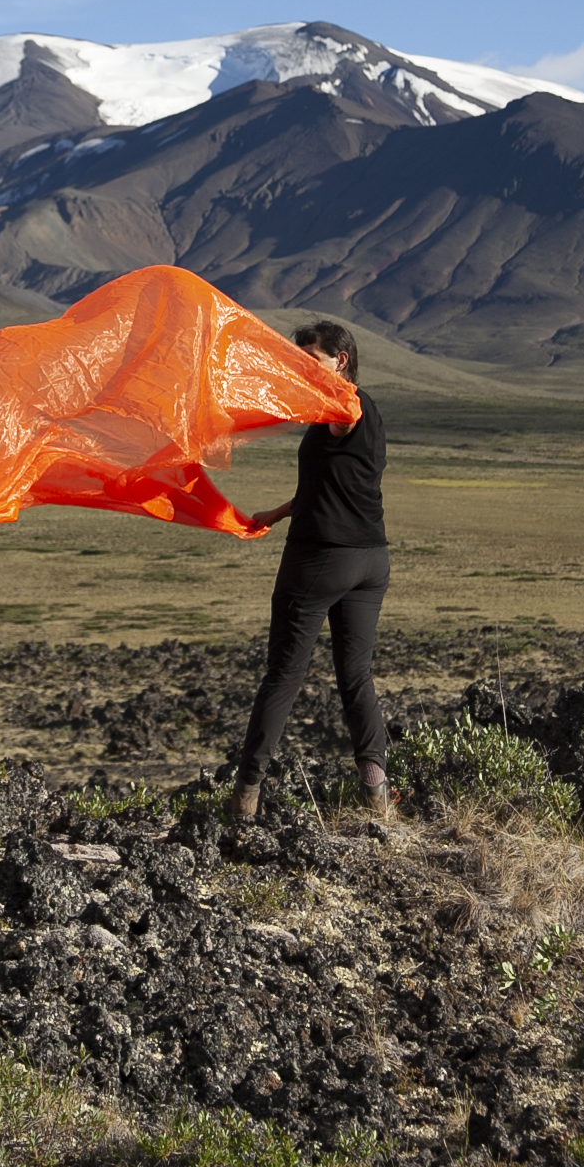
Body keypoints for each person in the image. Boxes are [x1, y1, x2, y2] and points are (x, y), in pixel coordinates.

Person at [228, 318, 390, 824]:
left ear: (340, 361)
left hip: (322, 559)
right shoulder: (356, 415)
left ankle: (245, 799)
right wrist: (274, 515)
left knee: (283, 675)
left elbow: (343, 412)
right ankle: (378, 796)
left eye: (310, 359)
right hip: (369, 559)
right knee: (356, 677)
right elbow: (326, 487)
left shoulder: (346, 406)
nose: (301, 368)